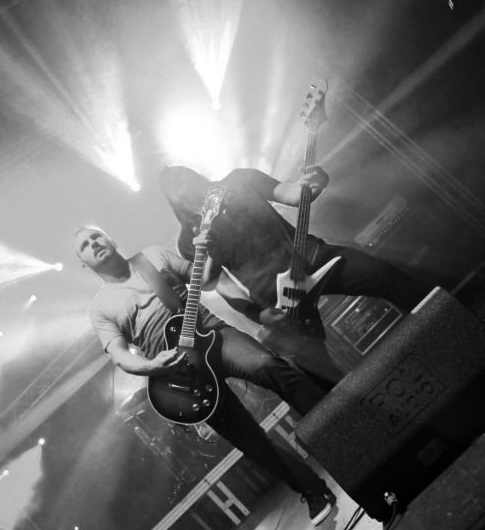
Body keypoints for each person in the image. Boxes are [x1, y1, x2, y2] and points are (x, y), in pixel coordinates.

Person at [74, 225, 337, 525]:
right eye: (85, 245)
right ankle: (311, 489)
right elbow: (120, 355)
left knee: (267, 365)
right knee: (249, 440)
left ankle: (339, 427)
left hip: (212, 334)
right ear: (83, 263)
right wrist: (152, 365)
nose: (94, 243)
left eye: (96, 236)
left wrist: (209, 251)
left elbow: (207, 279)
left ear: (111, 239)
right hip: (179, 374)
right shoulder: (100, 308)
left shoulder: (152, 256)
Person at [160, 165, 430, 386]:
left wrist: (317, 181)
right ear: (173, 201)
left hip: (311, 256)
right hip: (276, 297)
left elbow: (293, 195)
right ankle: (360, 421)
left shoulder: (239, 179)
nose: (182, 183)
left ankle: (442, 320)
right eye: (174, 185)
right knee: (321, 372)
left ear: (195, 174)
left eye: (183, 175)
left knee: (382, 274)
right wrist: (257, 314)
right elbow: (218, 284)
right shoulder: (189, 239)